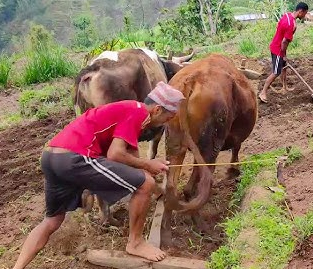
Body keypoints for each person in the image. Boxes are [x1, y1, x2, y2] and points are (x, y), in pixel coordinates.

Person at [12, 82, 185, 269]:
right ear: (158, 109)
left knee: (52, 220)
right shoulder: (138, 112)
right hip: (75, 158)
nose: (168, 122)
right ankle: (135, 243)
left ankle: (17, 267)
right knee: (145, 184)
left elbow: (131, 157)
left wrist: (148, 170)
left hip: (51, 156)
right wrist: (148, 166)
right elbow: (115, 154)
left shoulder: (128, 110)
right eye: (169, 117)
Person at [258, 2, 309, 103]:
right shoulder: (291, 25)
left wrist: (284, 56)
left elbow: (280, 30)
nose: (304, 16)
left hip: (278, 46)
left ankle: (284, 87)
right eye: (305, 13)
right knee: (276, 72)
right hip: (278, 49)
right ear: (300, 11)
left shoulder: (287, 15)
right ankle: (263, 92)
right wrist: (284, 55)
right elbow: (284, 42)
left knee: (284, 67)